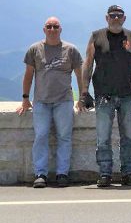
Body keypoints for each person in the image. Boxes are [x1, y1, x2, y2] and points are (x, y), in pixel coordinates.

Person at [80, 5, 131, 187]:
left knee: (128, 137)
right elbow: (88, 63)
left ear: (124, 18)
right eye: (112, 16)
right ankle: (104, 174)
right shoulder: (97, 36)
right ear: (106, 18)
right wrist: (84, 92)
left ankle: (128, 173)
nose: (115, 18)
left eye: (118, 16)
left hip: (127, 94)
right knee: (103, 137)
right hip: (103, 94)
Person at [17, 17, 83, 188]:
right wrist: (25, 98)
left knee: (64, 137)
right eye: (49, 26)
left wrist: (83, 96)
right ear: (44, 29)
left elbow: (79, 75)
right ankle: (40, 173)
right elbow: (29, 75)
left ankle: (62, 173)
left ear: (61, 29)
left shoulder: (71, 50)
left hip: (64, 101)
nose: (52, 29)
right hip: (41, 101)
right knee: (40, 136)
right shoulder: (34, 49)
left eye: (55, 26)